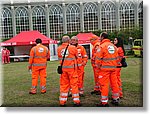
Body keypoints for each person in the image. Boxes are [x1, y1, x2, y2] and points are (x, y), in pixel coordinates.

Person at [95, 32, 120, 107]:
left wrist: (98, 67)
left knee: (104, 85)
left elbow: (98, 59)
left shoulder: (102, 46)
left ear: (102, 37)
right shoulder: (114, 46)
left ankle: (104, 102)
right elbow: (117, 58)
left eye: (100, 37)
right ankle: (116, 98)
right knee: (114, 83)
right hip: (113, 68)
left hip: (104, 69)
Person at [57, 35, 81, 107]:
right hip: (72, 70)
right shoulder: (73, 48)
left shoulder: (59, 48)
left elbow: (60, 58)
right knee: (74, 85)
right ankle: (76, 101)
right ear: (69, 41)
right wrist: (79, 67)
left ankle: (62, 101)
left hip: (63, 70)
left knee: (64, 85)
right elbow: (78, 57)